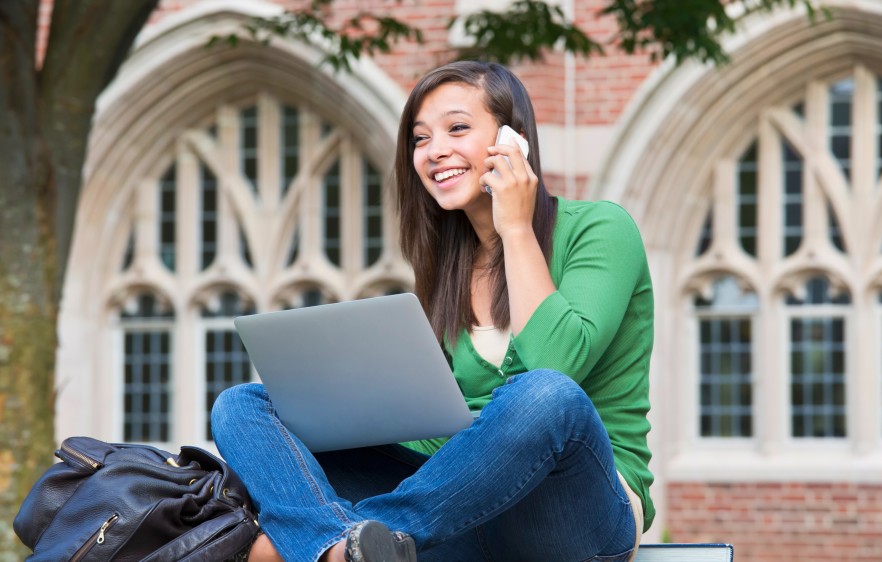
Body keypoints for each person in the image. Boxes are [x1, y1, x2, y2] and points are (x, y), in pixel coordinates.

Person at [211, 60, 655, 562]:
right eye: (420, 138)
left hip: (575, 516)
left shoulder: (601, 229)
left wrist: (515, 228)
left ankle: (355, 541)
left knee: (546, 395)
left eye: (457, 128)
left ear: (516, 140)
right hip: (462, 512)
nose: (435, 150)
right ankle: (335, 543)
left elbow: (556, 365)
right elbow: (445, 437)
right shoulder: (448, 268)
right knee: (245, 403)